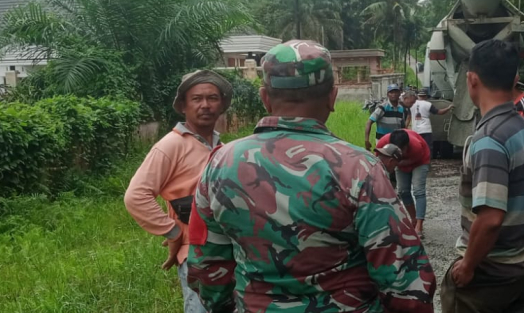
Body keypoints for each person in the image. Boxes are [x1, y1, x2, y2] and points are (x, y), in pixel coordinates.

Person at [187, 40, 436, 313]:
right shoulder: (359, 168)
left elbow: (206, 265)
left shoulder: (220, 163)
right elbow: (407, 283)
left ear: (264, 97)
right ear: (332, 97)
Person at [440, 40, 524, 313]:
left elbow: (490, 218)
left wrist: (467, 266)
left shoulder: (489, 139)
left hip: (490, 275)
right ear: (515, 79)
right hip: (523, 267)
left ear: (472, 80)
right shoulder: (522, 128)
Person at [124, 70, 233, 313]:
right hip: (196, 255)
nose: (205, 105)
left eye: (212, 98)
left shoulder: (223, 148)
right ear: (183, 105)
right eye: (196, 99)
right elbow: (136, 196)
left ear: (222, 104)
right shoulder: (171, 145)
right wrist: (173, 232)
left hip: (227, 253)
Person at [376, 129, 431, 238]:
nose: (399, 151)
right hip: (399, 162)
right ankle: (413, 219)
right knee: (402, 191)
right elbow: (378, 160)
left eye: (401, 150)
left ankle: (419, 225)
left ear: (406, 147)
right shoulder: (383, 143)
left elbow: (410, 161)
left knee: (418, 190)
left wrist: (396, 163)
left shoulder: (416, 146)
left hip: (420, 162)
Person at [405, 87, 454, 158]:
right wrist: (448, 108)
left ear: (418, 96)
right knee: (427, 147)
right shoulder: (428, 104)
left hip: (415, 130)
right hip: (426, 129)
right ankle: (427, 160)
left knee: (417, 146)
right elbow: (439, 112)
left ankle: (418, 160)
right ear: (426, 96)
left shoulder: (412, 104)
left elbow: (408, 118)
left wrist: (405, 128)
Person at [364, 83, 405, 150]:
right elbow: (369, 122)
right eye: (391, 92)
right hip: (382, 141)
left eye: (396, 92)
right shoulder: (383, 107)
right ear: (387, 94)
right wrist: (366, 140)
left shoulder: (401, 108)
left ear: (399, 94)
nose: (394, 94)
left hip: (395, 142)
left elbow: (402, 127)